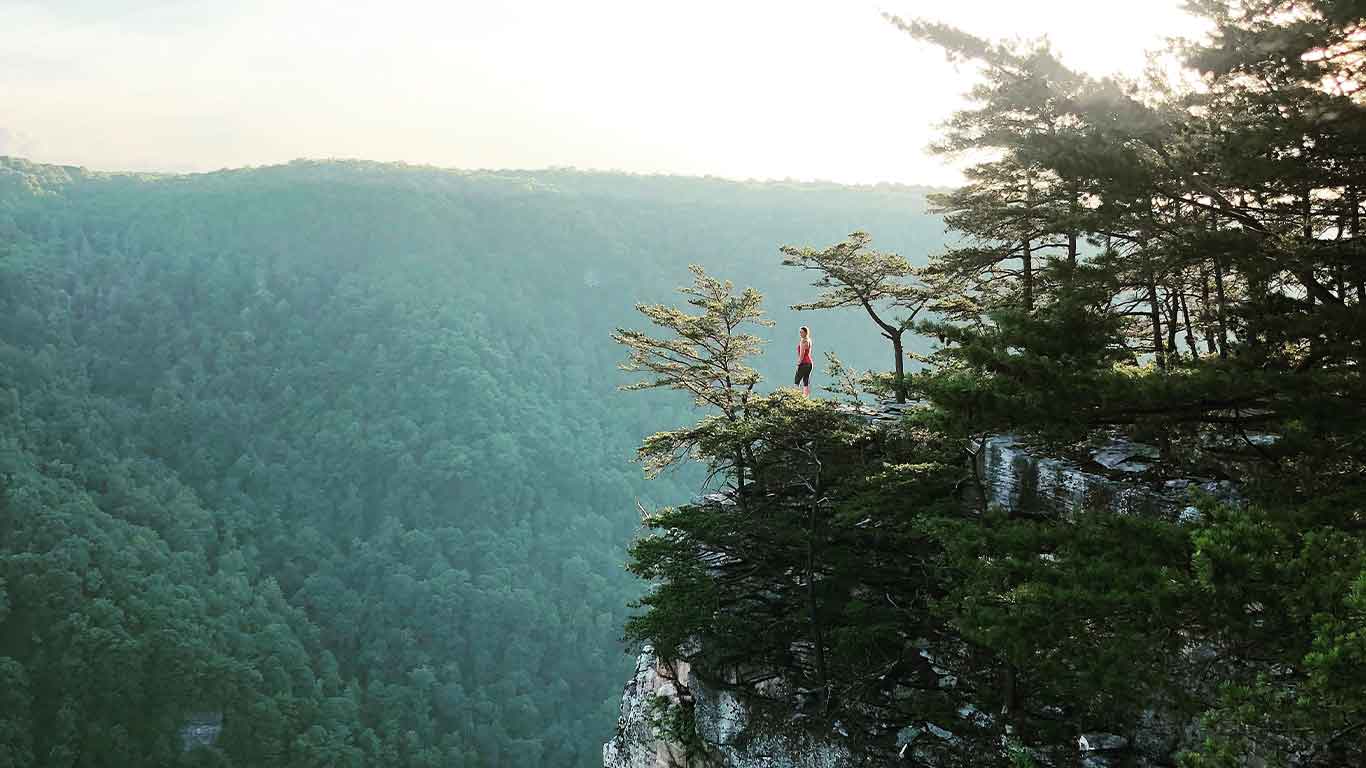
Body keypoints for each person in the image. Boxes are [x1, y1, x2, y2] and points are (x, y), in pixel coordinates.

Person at [794, 326, 813, 397]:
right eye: (800, 332)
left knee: (797, 380)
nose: (800, 334)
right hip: (809, 363)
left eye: (802, 332)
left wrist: (798, 363)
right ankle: (805, 396)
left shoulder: (803, 341)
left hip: (804, 363)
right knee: (806, 380)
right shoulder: (809, 340)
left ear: (805, 333)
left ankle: (795, 396)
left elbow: (802, 354)